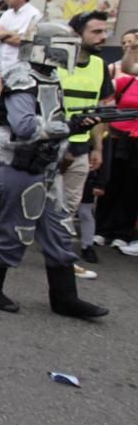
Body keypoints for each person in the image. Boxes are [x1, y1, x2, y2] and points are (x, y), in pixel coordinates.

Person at [0, 22, 108, 318]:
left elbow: (51, 118)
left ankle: (65, 298)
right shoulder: (22, 77)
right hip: (21, 165)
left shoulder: (49, 76)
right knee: (15, 230)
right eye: (66, 43)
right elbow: (23, 126)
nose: (72, 50)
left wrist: (72, 126)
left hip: (45, 167)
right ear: (48, 46)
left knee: (60, 231)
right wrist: (66, 127)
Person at [57, 11, 114, 277]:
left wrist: (98, 148)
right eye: (96, 31)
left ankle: (64, 260)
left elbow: (100, 111)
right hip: (48, 147)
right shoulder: (55, 62)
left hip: (80, 148)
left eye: (105, 31)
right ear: (76, 34)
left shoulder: (100, 66)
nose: (103, 37)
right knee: (33, 205)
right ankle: (7, 254)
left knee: (69, 206)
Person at [95, 31, 138, 256]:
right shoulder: (127, 78)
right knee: (112, 182)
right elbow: (129, 67)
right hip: (119, 135)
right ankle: (101, 228)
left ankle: (122, 233)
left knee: (132, 188)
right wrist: (133, 48)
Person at [0, 0, 42, 75]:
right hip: (1, 66)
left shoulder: (34, 15)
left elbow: (22, 41)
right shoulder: (7, 14)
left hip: (19, 69)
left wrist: (1, 35)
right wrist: (12, 33)